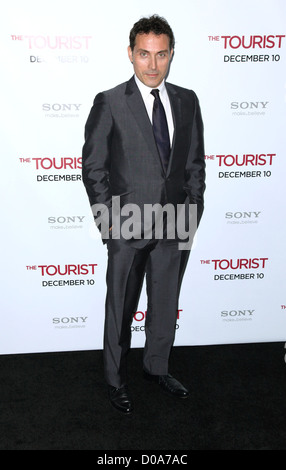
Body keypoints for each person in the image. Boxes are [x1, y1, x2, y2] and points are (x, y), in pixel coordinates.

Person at [82, 15, 205, 414]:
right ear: (130, 54)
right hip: (127, 222)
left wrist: (194, 206)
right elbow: (93, 166)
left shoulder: (187, 100)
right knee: (121, 306)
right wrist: (109, 221)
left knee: (166, 303)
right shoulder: (111, 101)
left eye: (161, 55)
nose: (153, 66)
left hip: (176, 221)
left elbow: (194, 162)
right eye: (144, 55)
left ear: (171, 55)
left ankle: (157, 367)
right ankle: (115, 381)